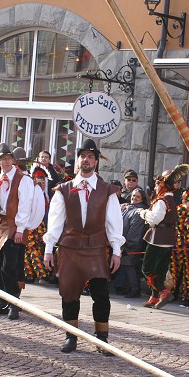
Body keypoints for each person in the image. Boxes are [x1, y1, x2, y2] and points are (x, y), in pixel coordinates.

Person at [43, 138, 124, 354]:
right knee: (69, 293)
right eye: (82, 157)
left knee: (101, 294)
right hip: (69, 248)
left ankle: (102, 338)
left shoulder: (107, 191)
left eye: (90, 157)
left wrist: (116, 251)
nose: (86, 160)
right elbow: (55, 221)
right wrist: (48, 248)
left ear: (96, 162)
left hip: (96, 247)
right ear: (78, 161)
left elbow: (114, 223)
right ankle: (71, 336)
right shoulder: (64, 189)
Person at [0, 143, 34, 320]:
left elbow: (25, 205)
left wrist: (21, 228)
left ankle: (14, 303)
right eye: (2, 159)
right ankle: (2, 302)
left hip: (14, 225)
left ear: (13, 160)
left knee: (10, 266)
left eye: (8, 158)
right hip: (0, 225)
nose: (6, 162)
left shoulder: (23, 179)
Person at [139, 164, 189, 309]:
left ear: (162, 186)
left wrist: (143, 213)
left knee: (147, 268)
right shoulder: (171, 199)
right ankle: (154, 298)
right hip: (167, 238)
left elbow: (155, 219)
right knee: (159, 270)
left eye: (157, 184)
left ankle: (163, 291)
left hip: (158, 237)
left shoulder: (162, 200)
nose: (155, 187)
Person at [119, 188, 148, 298]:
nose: (134, 198)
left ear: (142, 199)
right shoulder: (128, 207)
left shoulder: (138, 211)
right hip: (124, 241)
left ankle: (135, 289)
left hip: (131, 244)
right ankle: (129, 288)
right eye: (133, 195)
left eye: (137, 196)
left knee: (130, 267)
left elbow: (135, 230)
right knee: (126, 266)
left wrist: (129, 244)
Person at [24, 167, 50, 282]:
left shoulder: (47, 195)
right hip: (31, 225)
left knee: (39, 249)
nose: (42, 182)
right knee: (30, 248)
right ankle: (34, 274)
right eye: (39, 179)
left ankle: (38, 274)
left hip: (42, 226)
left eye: (43, 180)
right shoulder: (31, 192)